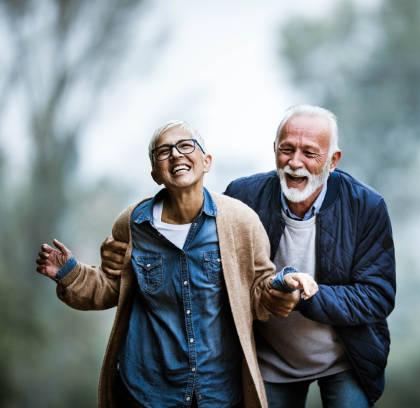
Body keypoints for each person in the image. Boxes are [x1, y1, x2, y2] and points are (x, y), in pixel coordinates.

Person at [102, 106, 396, 407]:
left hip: (345, 359)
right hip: (269, 359)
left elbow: (378, 295)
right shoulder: (242, 197)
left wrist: (303, 295)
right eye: (286, 149)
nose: (295, 162)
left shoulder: (366, 206)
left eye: (310, 153)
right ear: (274, 150)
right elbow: (196, 250)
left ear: (333, 160)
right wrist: (129, 250)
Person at [35, 120, 318, 408]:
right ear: (156, 174)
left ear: (206, 162)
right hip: (146, 392)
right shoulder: (132, 224)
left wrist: (284, 285)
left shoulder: (240, 222)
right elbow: (110, 287)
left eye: (185, 145)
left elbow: (259, 293)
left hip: (218, 393)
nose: (176, 155)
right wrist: (69, 273)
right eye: (163, 151)